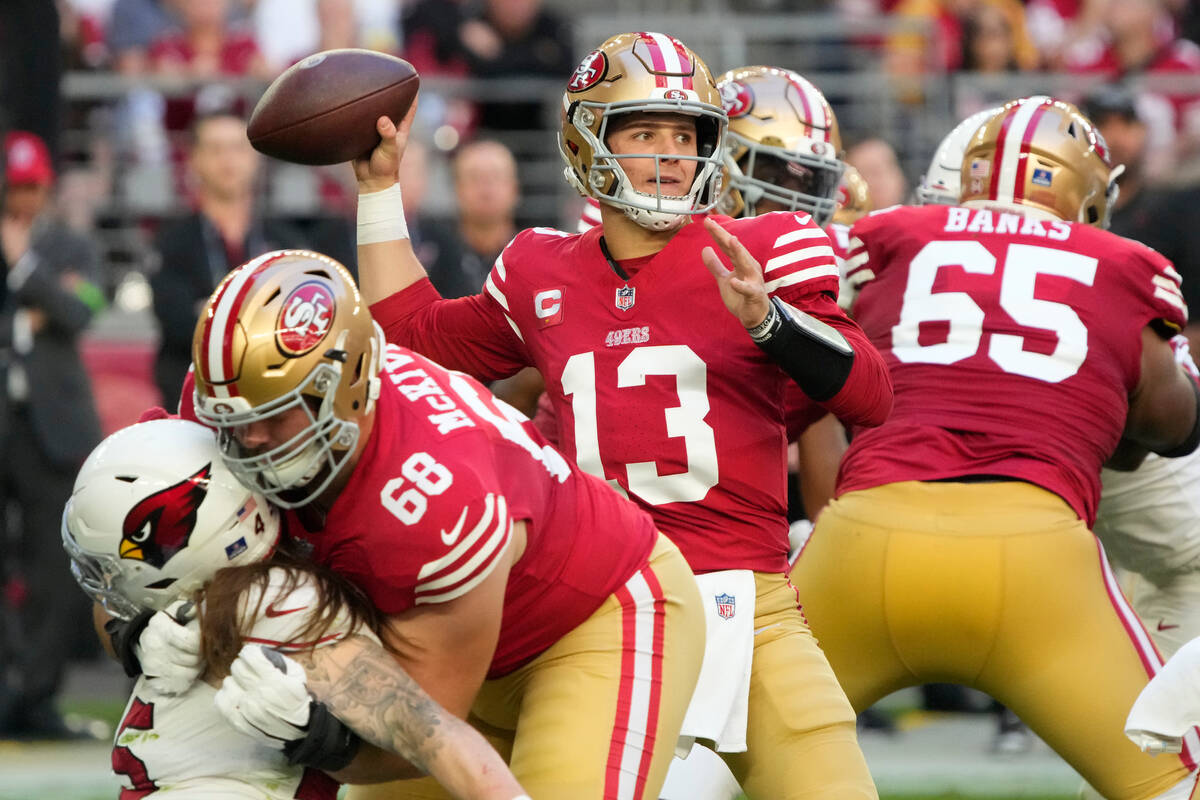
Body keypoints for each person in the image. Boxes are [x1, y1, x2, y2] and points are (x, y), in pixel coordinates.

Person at [357, 32, 889, 799]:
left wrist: (771, 321)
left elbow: (870, 394)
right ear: (589, 141)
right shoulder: (542, 269)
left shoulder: (763, 247)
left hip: (740, 594)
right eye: (645, 133)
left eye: (688, 135)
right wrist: (378, 191)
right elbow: (414, 340)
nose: (672, 155)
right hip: (592, 601)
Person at [791, 96, 1200, 800]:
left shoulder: (890, 236)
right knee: (1167, 783)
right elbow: (1174, 425)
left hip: (864, 540)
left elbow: (813, 376)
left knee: (689, 747)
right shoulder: (1118, 262)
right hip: (1035, 555)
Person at [185, 249, 705, 799]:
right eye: (234, 417)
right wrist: (149, 630)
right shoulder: (224, 401)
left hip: (596, 617)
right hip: (447, 637)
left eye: (275, 413)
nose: (250, 439)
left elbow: (423, 733)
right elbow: (116, 559)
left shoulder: (431, 494)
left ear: (349, 386)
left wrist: (322, 738)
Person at [63, 416, 530, 799]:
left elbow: (431, 737)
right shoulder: (215, 588)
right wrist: (136, 636)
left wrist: (318, 733)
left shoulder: (283, 608)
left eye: (120, 563)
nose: (111, 584)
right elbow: (112, 610)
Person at [0, 130, 105, 740]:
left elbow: (81, 310)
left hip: (53, 426)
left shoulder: (69, 245)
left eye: (32, 187)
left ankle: (36, 695)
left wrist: (24, 268)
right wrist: (34, 307)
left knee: (53, 563)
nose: (23, 199)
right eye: (13, 187)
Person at [149, 110, 305, 405]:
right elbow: (177, 321)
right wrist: (262, 320)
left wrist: (212, 310)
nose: (228, 160)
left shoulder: (286, 240)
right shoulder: (173, 240)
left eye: (237, 148)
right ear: (194, 159)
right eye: (215, 149)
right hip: (194, 400)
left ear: (255, 158)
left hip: (272, 400)